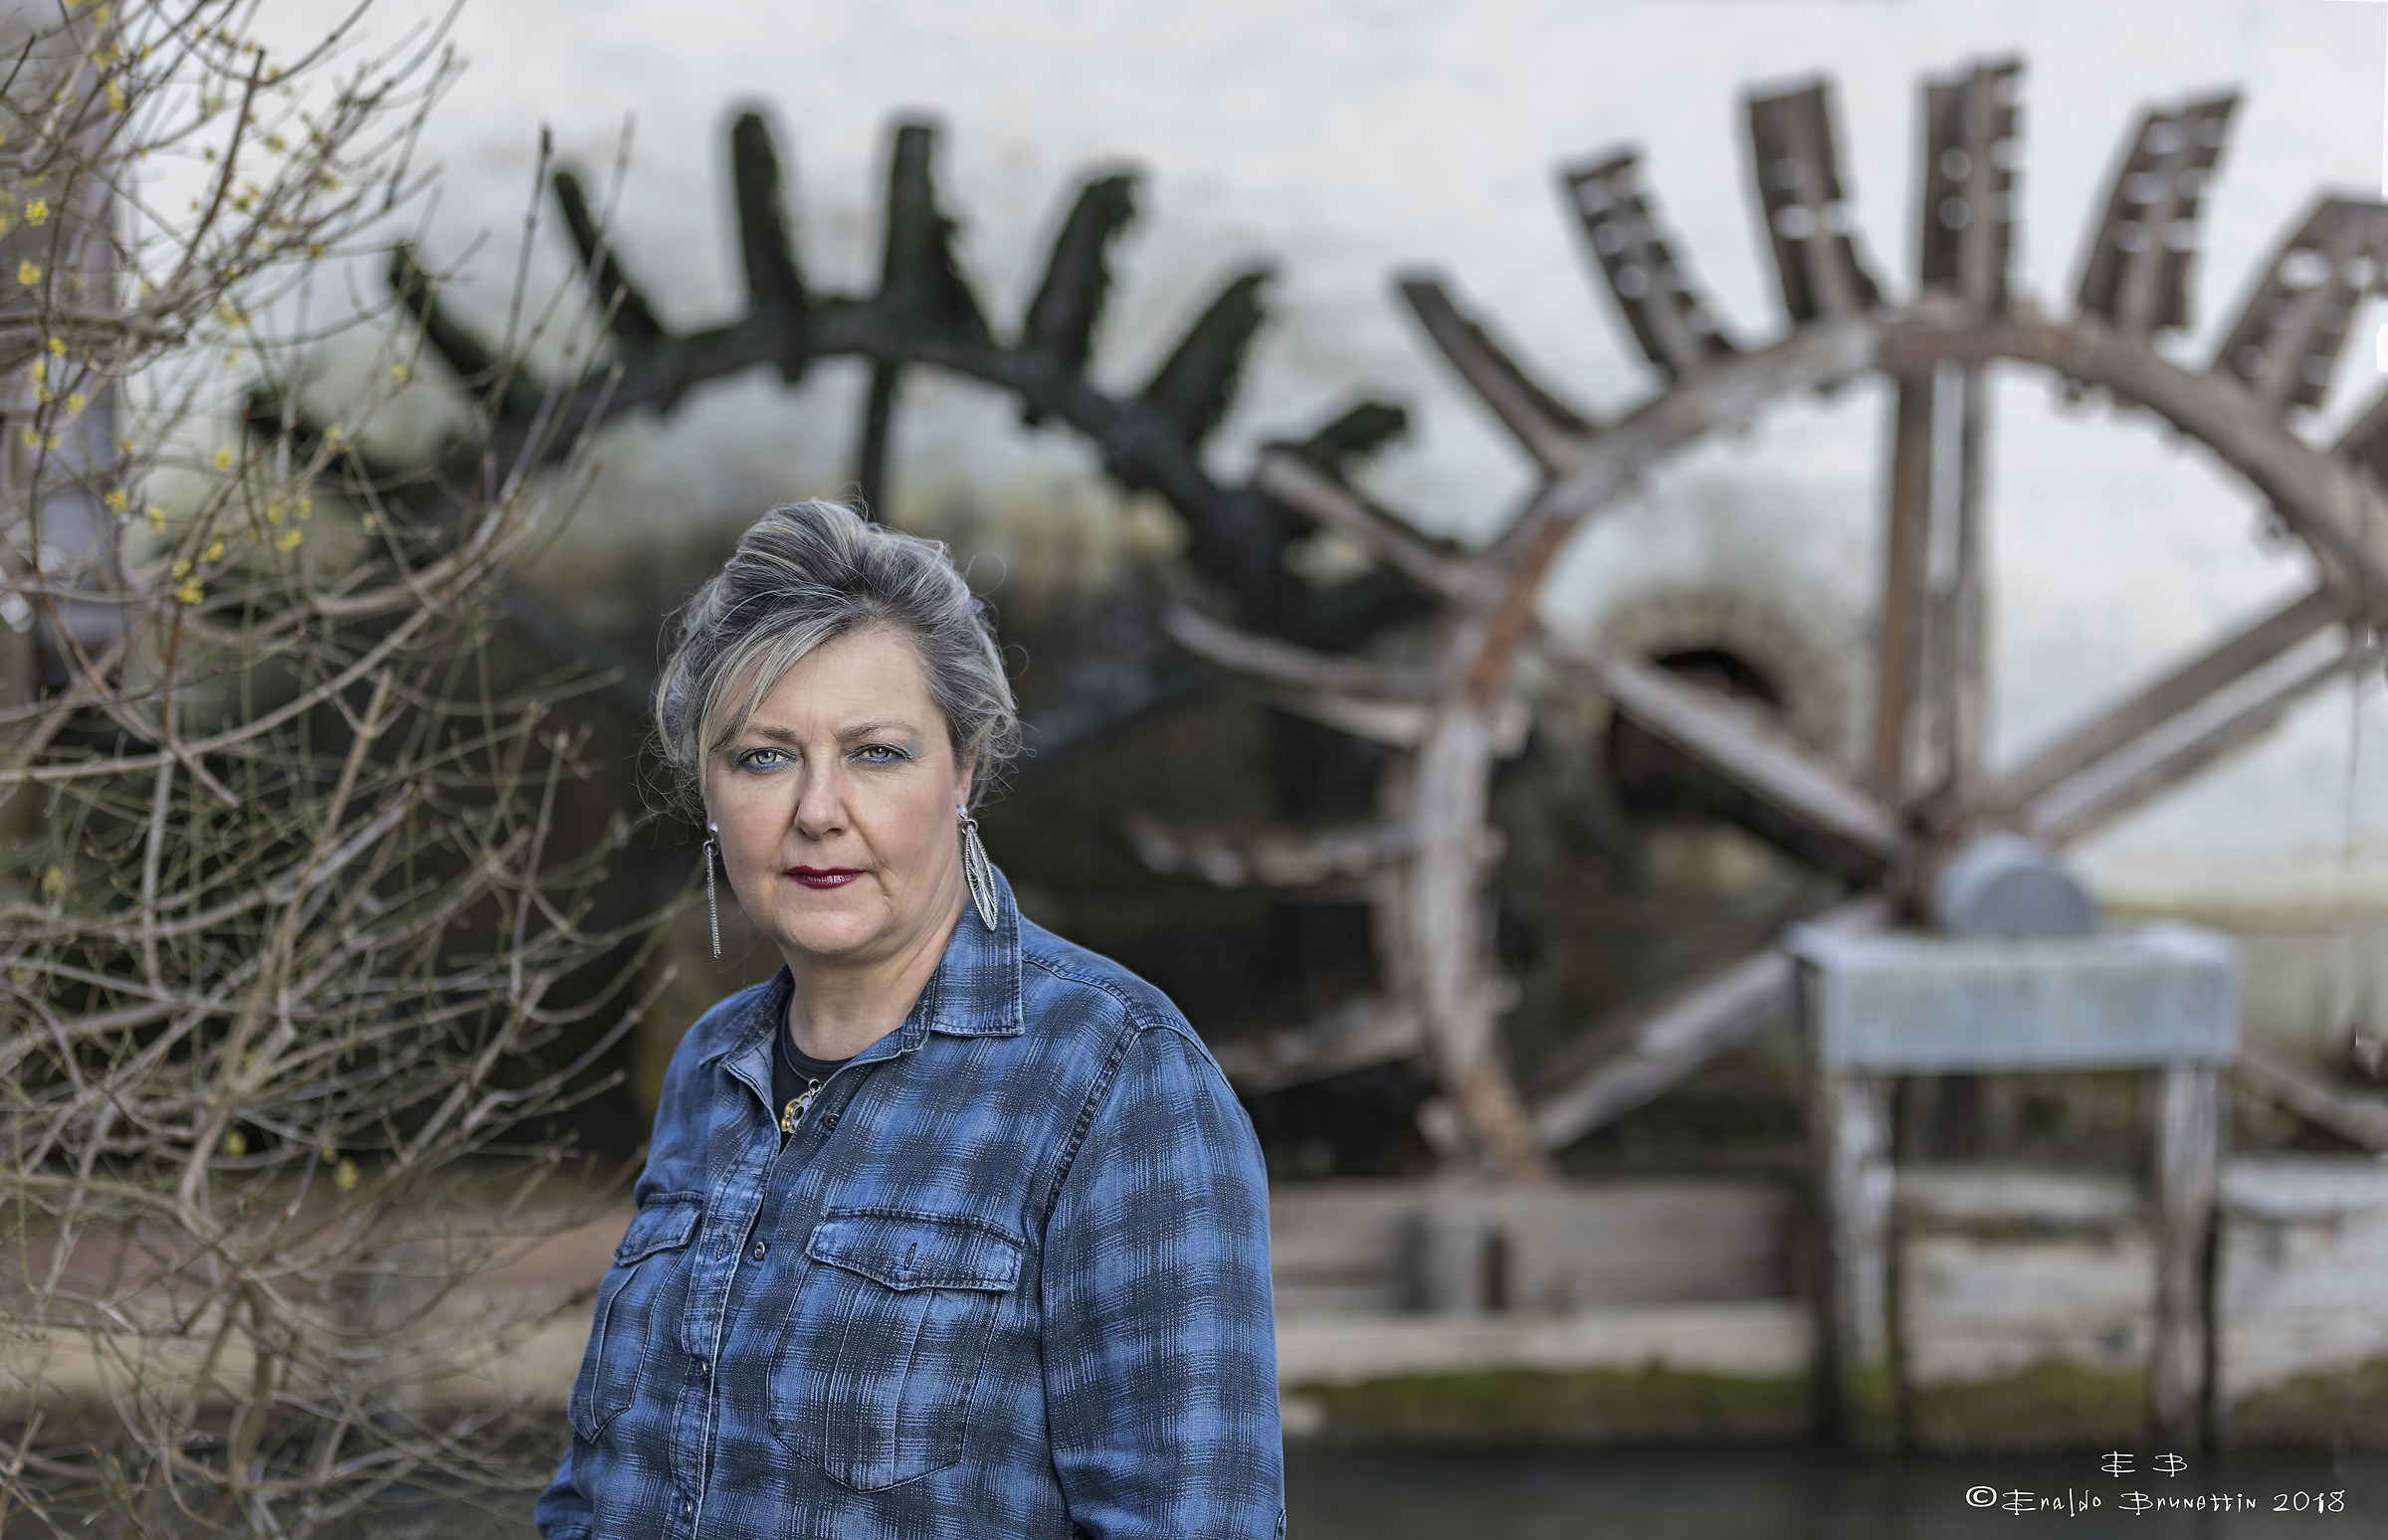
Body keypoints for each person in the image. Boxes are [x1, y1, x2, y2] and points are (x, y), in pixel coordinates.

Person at [534, 499, 1283, 1539]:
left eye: (877, 753)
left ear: (964, 769)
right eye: (763, 757)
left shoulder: (1120, 1081)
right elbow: (601, 1492)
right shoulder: (712, 1067)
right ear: (706, 791)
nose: (817, 810)